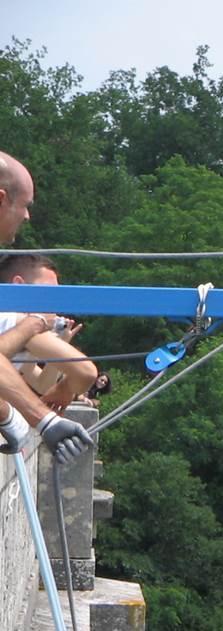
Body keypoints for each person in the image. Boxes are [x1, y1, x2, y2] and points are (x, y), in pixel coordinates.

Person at [0, 149, 95, 462]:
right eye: (24, 205)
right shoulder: (19, 319)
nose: (27, 216)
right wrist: (42, 419)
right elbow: (84, 371)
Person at [0, 255, 99, 411]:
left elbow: (41, 384)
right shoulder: (17, 323)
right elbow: (86, 372)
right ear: (19, 286)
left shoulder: (15, 326)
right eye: (48, 292)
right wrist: (66, 389)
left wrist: (60, 344)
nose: (54, 302)